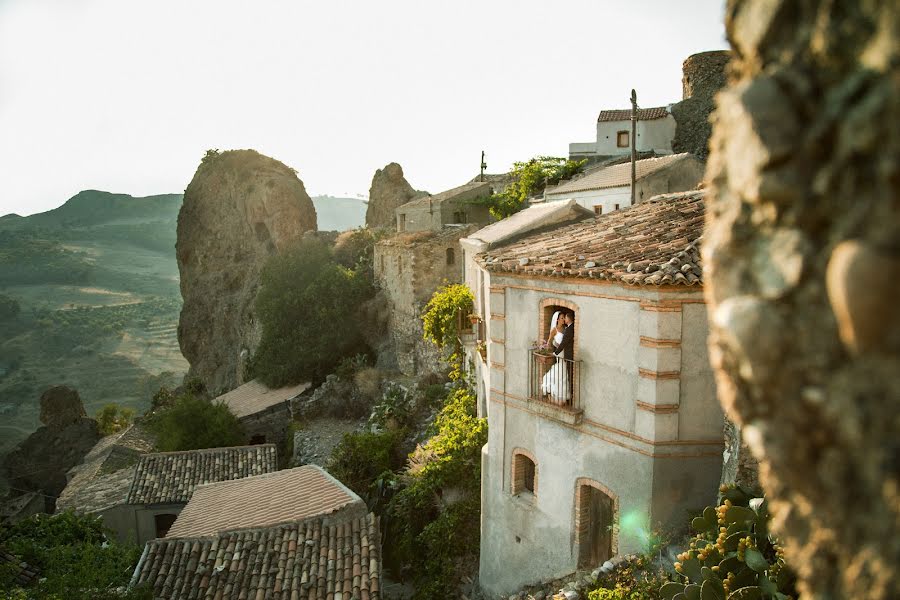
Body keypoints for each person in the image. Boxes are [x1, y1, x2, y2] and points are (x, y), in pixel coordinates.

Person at [542, 310, 573, 405]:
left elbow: (566, 341)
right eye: (562, 318)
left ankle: (561, 397)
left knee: (563, 373)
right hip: (559, 354)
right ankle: (554, 395)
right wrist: (546, 349)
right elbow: (549, 342)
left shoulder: (565, 328)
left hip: (565, 352)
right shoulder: (554, 330)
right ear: (557, 320)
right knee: (560, 370)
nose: (563, 320)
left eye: (564, 318)